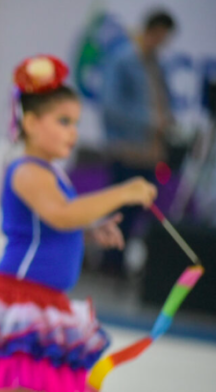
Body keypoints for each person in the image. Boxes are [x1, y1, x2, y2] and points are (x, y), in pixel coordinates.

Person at [0, 56, 157, 392]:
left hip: (50, 301)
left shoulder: (51, 172)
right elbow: (59, 214)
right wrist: (123, 192)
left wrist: (91, 226)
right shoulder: (27, 170)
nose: (73, 132)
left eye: (76, 123)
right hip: (23, 297)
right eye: (63, 121)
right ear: (29, 122)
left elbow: (62, 217)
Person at [101, 9, 177, 273]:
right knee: (120, 207)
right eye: (161, 36)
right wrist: (152, 121)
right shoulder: (123, 58)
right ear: (152, 31)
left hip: (150, 150)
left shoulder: (154, 63)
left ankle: (119, 262)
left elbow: (161, 103)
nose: (162, 43)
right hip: (127, 147)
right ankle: (110, 263)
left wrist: (167, 121)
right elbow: (110, 105)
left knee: (138, 209)